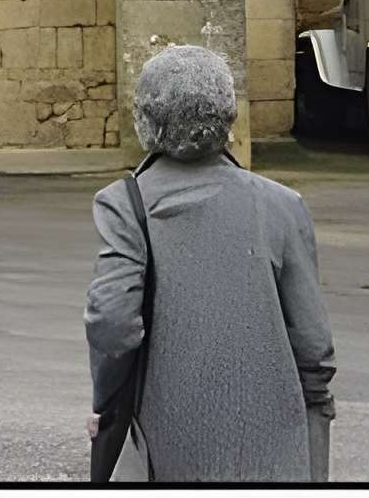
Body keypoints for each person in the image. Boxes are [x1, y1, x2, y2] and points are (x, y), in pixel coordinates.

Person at [85, 45, 336, 483]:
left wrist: (108, 406)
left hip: (167, 440)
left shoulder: (126, 204)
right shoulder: (281, 204)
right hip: (274, 447)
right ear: (228, 116)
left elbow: (111, 322)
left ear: (146, 119)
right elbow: (314, 345)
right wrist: (314, 421)